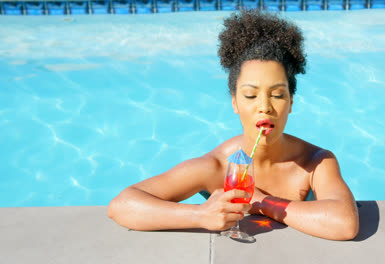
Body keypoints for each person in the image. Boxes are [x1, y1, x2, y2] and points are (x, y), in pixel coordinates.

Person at [107, 10, 359, 241]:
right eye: (250, 95)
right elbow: (122, 205)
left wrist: (260, 200)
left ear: (291, 102)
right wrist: (200, 215)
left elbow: (345, 223)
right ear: (235, 102)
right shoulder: (216, 168)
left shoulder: (315, 162)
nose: (265, 107)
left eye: (278, 94)